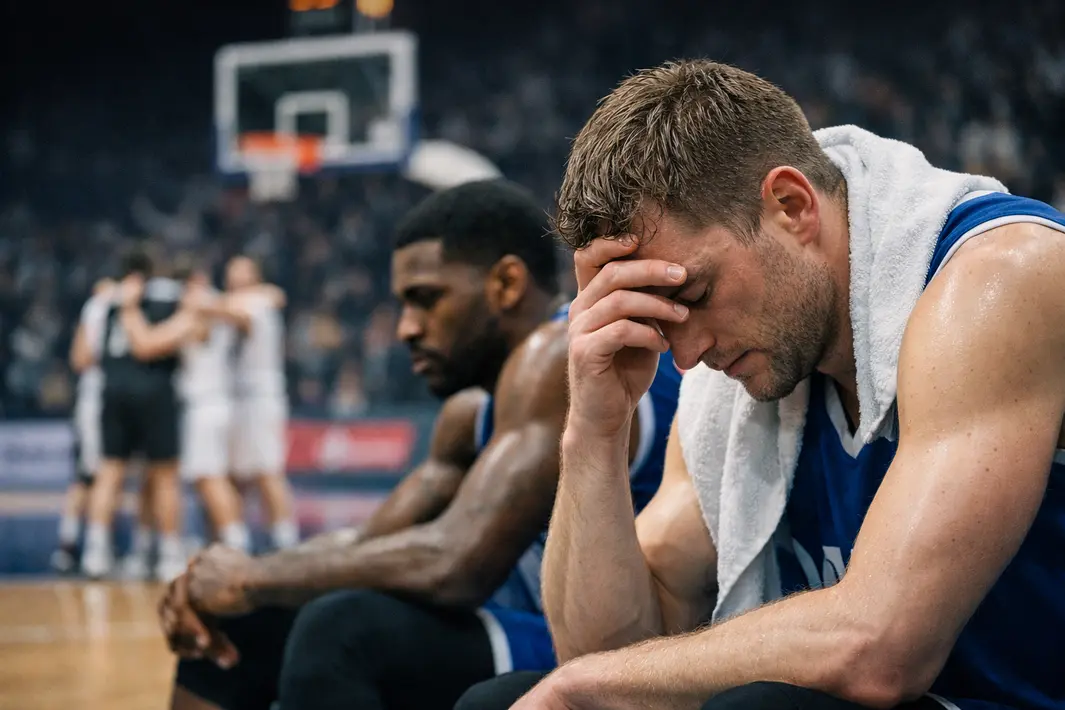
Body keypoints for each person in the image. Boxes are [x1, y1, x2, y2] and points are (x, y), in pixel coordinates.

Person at [457, 61, 1065, 710]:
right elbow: (607, 654)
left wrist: (584, 683)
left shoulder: (999, 278)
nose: (685, 355)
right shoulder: (736, 380)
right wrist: (595, 429)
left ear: (791, 206)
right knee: (498, 701)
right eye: (661, 318)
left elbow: (879, 648)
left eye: (694, 294)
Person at [158, 179, 681, 710]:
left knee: (344, 632)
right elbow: (371, 543)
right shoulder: (472, 413)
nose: (407, 328)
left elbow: (454, 564)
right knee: (249, 621)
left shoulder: (561, 353)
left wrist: (251, 578)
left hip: (623, 648)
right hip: (531, 631)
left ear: (506, 284)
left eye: (426, 300)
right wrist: (231, 584)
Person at [81, 248, 189, 581]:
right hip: (154, 390)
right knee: (164, 476)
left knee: (109, 472)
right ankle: (169, 553)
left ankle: (95, 552)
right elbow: (149, 346)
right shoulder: (169, 296)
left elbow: (82, 356)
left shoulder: (101, 301)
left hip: (112, 390)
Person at [224, 256, 298, 552]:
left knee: (268, 470)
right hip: (238, 399)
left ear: (255, 275)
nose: (234, 274)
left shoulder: (260, 303)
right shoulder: (249, 300)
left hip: (261, 398)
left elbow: (241, 312)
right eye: (231, 269)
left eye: (241, 269)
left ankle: (286, 540)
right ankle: (235, 540)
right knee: (236, 476)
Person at [51, 277, 114, 574]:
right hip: (98, 401)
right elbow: (80, 358)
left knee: (92, 475)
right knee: (93, 475)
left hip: (101, 400)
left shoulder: (99, 304)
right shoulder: (101, 306)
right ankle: (79, 547)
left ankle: (75, 544)